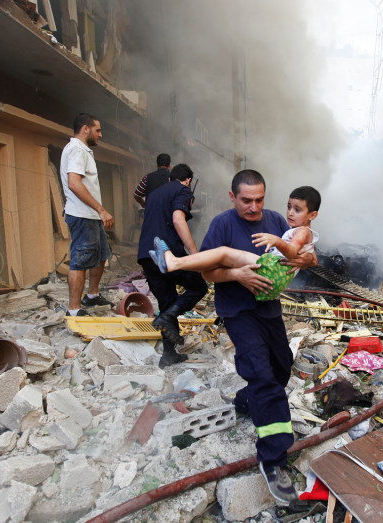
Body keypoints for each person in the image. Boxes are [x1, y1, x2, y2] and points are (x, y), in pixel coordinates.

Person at [198, 170, 317, 505]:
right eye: (246, 200)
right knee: (262, 376)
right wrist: (236, 274)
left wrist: (305, 257)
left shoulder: (278, 220)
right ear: (233, 197)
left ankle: (246, 401)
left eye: (259, 200)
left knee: (281, 368)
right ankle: (273, 459)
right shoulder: (222, 225)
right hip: (238, 311)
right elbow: (207, 272)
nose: (254, 207)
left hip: (269, 309)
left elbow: (301, 254)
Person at [149, 186, 320, 302]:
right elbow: (313, 260)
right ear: (233, 197)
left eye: (297, 210)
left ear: (312, 215)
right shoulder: (300, 231)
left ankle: (175, 262)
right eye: (289, 207)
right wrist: (305, 259)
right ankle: (174, 262)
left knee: (223, 254)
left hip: (272, 271)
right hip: (272, 279)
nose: (290, 213)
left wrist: (277, 241)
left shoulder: (302, 231)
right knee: (220, 257)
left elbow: (293, 252)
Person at [137, 163, 208, 368]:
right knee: (199, 286)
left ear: (169, 179)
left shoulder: (154, 195)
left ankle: (169, 355)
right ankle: (168, 317)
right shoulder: (183, 189)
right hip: (168, 254)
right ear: (188, 180)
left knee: (167, 301)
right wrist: (195, 254)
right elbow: (178, 219)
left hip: (146, 255)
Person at [60, 113, 114, 317]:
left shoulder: (83, 150)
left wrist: (98, 212)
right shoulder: (76, 149)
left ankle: (91, 295)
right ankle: (74, 309)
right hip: (83, 216)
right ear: (85, 129)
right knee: (80, 261)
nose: (100, 134)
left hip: (91, 216)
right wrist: (101, 209)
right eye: (97, 130)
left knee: (101, 255)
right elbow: (74, 183)